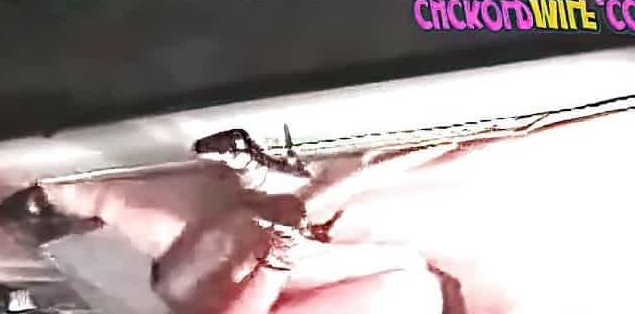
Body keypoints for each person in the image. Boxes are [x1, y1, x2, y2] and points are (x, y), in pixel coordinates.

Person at [44, 107, 635, 314]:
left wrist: (278, 259)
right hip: (373, 280)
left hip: (239, 284)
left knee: (193, 284)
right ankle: (273, 188)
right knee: (398, 277)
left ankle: (272, 189)